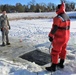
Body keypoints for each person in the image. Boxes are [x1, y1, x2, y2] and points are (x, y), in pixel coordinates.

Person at [46, 2, 70, 72]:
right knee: (63, 50)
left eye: (57, 8)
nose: (56, 9)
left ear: (59, 9)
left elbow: (55, 28)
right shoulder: (67, 16)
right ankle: (61, 63)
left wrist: (50, 35)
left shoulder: (58, 18)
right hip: (66, 37)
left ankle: (53, 67)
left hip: (59, 37)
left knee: (55, 51)